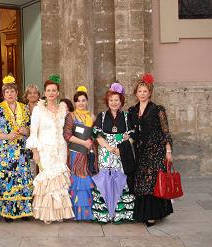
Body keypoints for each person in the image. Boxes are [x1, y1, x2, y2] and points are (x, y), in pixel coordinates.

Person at [27, 75, 74, 224]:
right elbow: (33, 132)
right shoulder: (38, 110)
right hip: (45, 150)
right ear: (45, 93)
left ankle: (59, 213)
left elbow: (67, 128)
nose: (51, 93)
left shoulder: (63, 108)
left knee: (59, 181)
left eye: (54, 90)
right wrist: (35, 152)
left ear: (58, 93)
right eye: (48, 90)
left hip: (60, 149)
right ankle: (47, 215)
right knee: (47, 181)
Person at [128, 74, 173, 227]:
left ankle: (153, 215)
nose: (142, 94)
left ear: (150, 93)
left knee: (153, 181)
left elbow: (165, 131)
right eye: (140, 91)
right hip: (140, 152)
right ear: (136, 93)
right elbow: (131, 132)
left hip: (156, 151)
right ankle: (143, 213)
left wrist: (168, 151)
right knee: (142, 182)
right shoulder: (132, 110)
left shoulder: (157, 109)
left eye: (145, 91)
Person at [0, 75, 33, 222]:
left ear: (17, 92)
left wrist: (25, 131)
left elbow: (31, 128)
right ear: (3, 94)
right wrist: (7, 136)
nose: (10, 94)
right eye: (7, 92)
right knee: (8, 179)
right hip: (5, 152)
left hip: (21, 150)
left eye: (12, 91)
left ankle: (24, 210)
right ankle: (8, 212)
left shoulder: (24, 108)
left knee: (22, 178)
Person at [92, 82, 135, 223]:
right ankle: (104, 215)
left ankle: (121, 214)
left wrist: (120, 148)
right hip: (106, 152)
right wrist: (109, 148)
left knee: (121, 181)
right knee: (105, 181)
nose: (114, 102)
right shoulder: (102, 116)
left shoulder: (127, 116)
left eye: (117, 100)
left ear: (121, 101)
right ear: (107, 101)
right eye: (111, 100)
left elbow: (132, 135)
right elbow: (97, 135)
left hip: (122, 152)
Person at [63, 86, 95, 221]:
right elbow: (67, 135)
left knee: (86, 180)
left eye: (83, 100)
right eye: (78, 101)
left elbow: (95, 134)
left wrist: (90, 142)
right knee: (76, 180)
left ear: (87, 101)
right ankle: (75, 213)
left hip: (87, 153)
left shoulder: (91, 117)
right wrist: (83, 143)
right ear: (75, 103)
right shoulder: (70, 116)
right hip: (75, 153)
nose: (81, 103)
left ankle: (87, 213)